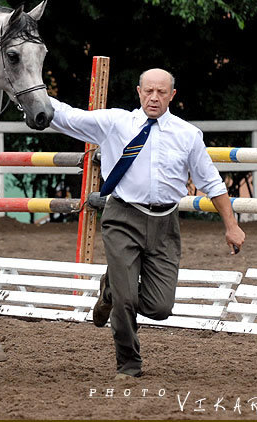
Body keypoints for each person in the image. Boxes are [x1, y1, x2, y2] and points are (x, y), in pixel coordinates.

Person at [49, 68, 245, 380]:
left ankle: (111, 288)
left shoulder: (187, 135)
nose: (154, 98)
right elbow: (70, 117)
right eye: (149, 91)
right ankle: (128, 364)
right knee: (128, 302)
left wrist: (231, 225)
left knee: (160, 307)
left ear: (172, 95)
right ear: (139, 91)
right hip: (123, 217)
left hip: (166, 223)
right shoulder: (116, 123)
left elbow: (212, 183)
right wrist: (30, 96)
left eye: (161, 92)